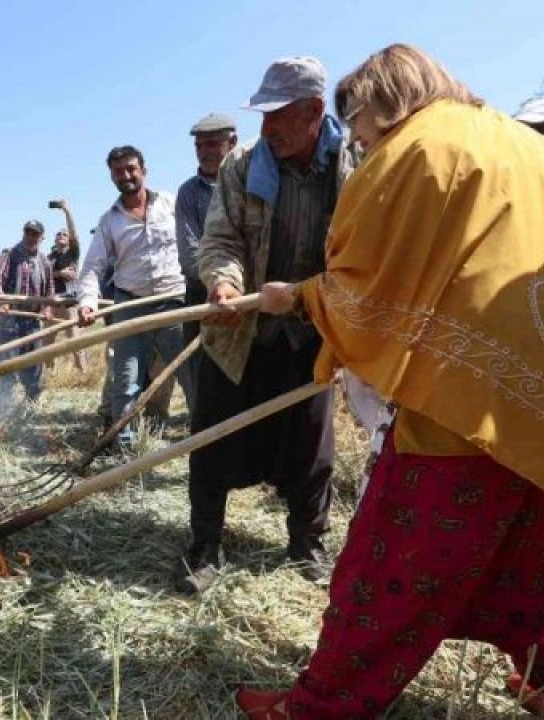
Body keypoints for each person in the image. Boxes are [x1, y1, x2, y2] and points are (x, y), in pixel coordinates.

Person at [234, 44, 544, 719]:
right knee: (539, 563)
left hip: (465, 392)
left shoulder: (411, 149)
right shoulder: (522, 141)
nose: (357, 142)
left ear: (378, 104)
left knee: (387, 567)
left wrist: (297, 297)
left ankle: (320, 707)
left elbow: (363, 280)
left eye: (356, 127)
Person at [180, 57, 353, 594]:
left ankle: (307, 544)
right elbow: (222, 239)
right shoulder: (242, 166)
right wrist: (225, 283)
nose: (267, 128)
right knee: (213, 437)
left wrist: (307, 298)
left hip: (311, 330)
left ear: (315, 112)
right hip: (242, 330)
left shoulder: (352, 171)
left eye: (279, 115)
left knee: (310, 447)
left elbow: (364, 253)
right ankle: (205, 546)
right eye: (263, 115)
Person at [77, 146, 192, 451]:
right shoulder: (109, 222)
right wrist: (87, 301)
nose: (125, 176)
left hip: (174, 303)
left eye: (131, 169)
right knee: (125, 382)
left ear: (144, 171)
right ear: (111, 176)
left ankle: (208, 446)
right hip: (131, 306)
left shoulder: (171, 204)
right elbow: (92, 267)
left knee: (192, 377)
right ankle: (124, 454)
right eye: (118, 171)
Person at [176, 112, 239, 413]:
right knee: (201, 379)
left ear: (232, 143)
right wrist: (218, 283)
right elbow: (189, 253)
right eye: (199, 146)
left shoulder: (251, 180)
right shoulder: (189, 193)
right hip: (203, 297)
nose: (205, 152)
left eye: (212, 144)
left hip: (245, 297)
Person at [0, 219, 56, 404]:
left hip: (32, 321)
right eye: (28, 233)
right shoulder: (9, 255)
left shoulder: (45, 262)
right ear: (23, 233)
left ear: (42, 238)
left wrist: (47, 308)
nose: (31, 237)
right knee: (5, 366)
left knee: (33, 364)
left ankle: (31, 405)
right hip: (8, 320)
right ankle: (1, 407)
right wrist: (2, 301)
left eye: (35, 234)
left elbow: (49, 292)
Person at [46, 201, 86, 372]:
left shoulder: (72, 253)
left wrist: (66, 211)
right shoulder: (49, 257)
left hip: (69, 301)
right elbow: (43, 276)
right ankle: (50, 373)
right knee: (47, 341)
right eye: (58, 233)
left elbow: (74, 235)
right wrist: (59, 274)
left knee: (74, 341)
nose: (61, 235)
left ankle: (83, 373)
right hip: (52, 302)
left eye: (64, 233)